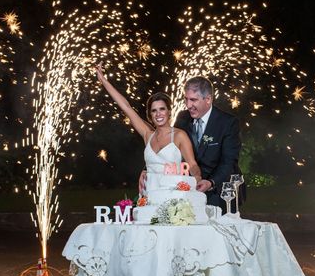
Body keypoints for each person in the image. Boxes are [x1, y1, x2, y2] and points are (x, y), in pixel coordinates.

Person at [95, 64, 202, 185]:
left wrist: (197, 177)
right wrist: (104, 81)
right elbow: (126, 107)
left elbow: (192, 164)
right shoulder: (148, 135)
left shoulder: (179, 135)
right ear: (150, 115)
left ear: (169, 111)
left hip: (173, 194)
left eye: (162, 109)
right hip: (149, 192)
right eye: (154, 110)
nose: (158, 114)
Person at [173, 76, 244, 211]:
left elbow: (229, 162)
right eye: (186, 99)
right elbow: (170, 146)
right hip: (189, 193)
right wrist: (147, 168)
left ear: (208, 99)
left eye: (193, 100)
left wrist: (211, 183)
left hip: (220, 192)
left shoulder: (228, 123)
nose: (188, 105)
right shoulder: (182, 118)